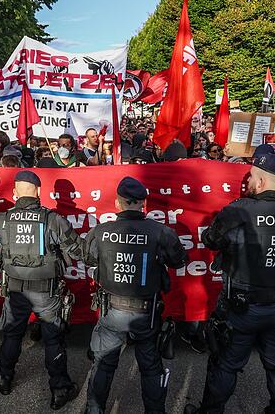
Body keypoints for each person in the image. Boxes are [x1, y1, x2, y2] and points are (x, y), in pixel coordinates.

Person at [185, 155, 275, 414]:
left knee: (226, 364)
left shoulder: (238, 211)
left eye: (250, 176)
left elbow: (212, 240)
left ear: (261, 180)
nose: (247, 181)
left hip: (243, 307)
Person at [84, 176, 186, 413]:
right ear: (143, 204)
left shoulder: (100, 231)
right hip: (145, 314)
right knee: (150, 366)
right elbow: (179, 259)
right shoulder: (161, 232)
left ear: (118, 204)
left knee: (103, 364)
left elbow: (88, 258)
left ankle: (94, 410)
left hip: (112, 312)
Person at [0, 170, 85, 410]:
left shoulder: (1, 220)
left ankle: (4, 376)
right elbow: (79, 252)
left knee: (12, 334)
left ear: (14, 193)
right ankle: (60, 389)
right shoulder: (54, 220)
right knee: (53, 338)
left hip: (15, 290)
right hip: (46, 291)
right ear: (40, 192)